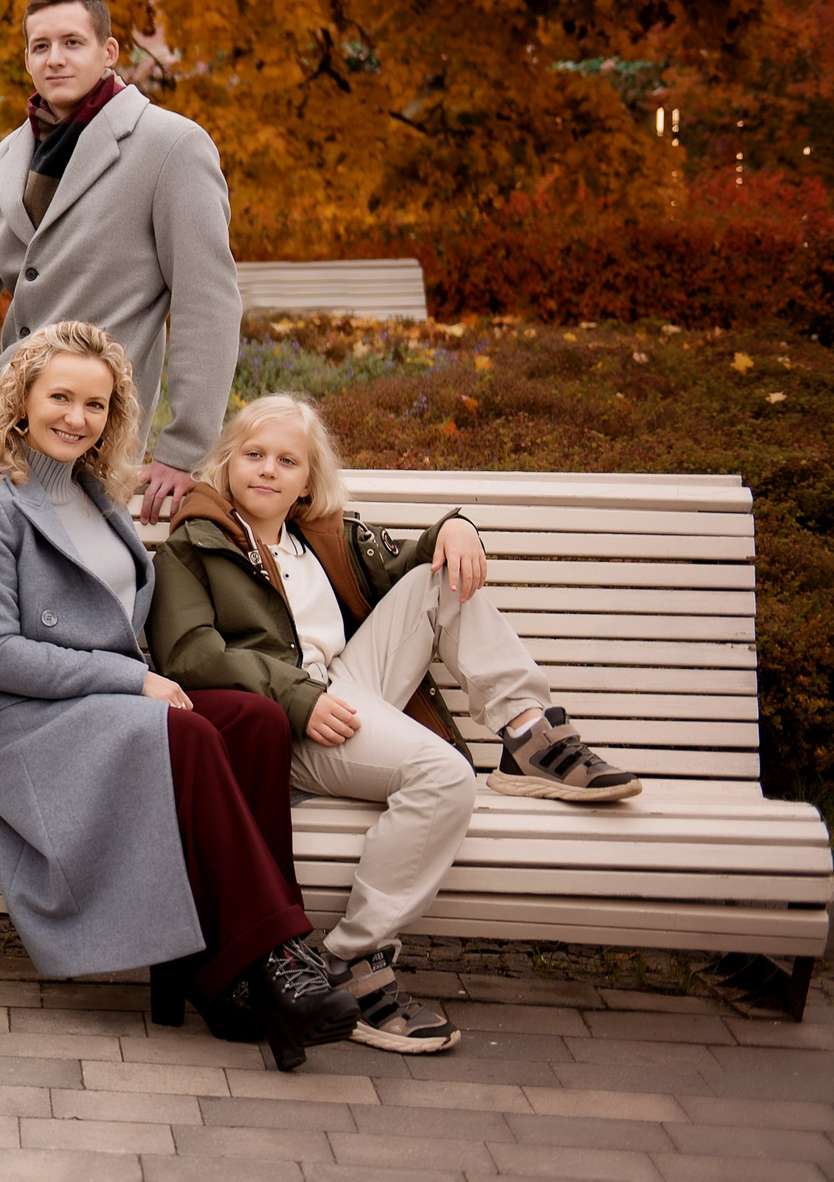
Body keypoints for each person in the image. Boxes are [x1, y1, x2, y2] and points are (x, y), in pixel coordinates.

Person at [150, 393, 642, 1054]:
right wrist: (297, 696)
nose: (267, 469)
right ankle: (355, 961)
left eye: (286, 460)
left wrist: (456, 527)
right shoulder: (195, 543)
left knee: (439, 579)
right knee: (445, 776)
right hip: (290, 723)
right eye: (254, 453)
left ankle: (528, 730)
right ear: (228, 461)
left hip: (344, 688)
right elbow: (192, 653)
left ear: (308, 480)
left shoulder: (323, 538)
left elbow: (417, 562)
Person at [0, 321, 356, 1071]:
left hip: (103, 705)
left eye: (95, 404)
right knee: (189, 734)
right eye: (60, 396)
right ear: (22, 401)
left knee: (255, 721)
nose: (76, 417)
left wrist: (139, 682)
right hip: (20, 719)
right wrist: (132, 679)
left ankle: (231, 967)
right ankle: (280, 958)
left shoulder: (100, 496)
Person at [0, 0, 241, 523]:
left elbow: (206, 300)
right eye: (40, 46)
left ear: (108, 52)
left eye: (72, 43)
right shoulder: (3, 161)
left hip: (94, 418)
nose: (55, 58)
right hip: (9, 406)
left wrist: (184, 450)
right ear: (27, 59)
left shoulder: (172, 146)